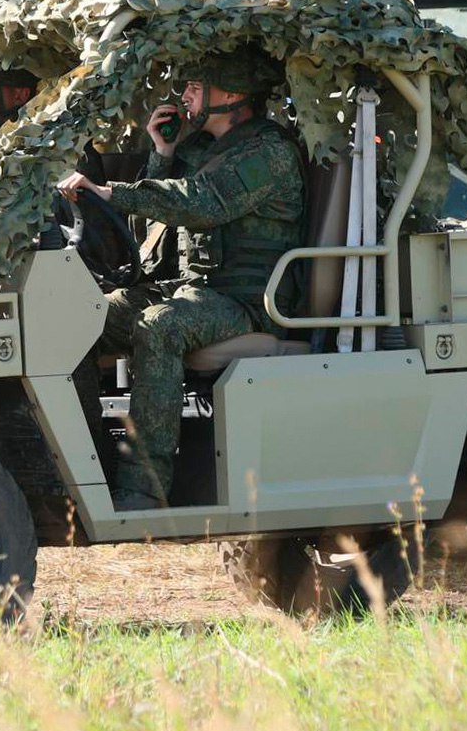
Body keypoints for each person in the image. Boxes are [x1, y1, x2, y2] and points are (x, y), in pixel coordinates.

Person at [57, 45, 305, 510]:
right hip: (196, 290)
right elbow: (153, 224)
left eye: (195, 87)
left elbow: (199, 203)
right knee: (83, 319)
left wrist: (110, 191)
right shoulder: (201, 149)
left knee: (160, 326)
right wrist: (163, 153)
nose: (185, 96)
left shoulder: (269, 153)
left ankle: (142, 489)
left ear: (231, 94)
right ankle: (88, 467)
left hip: (248, 302)